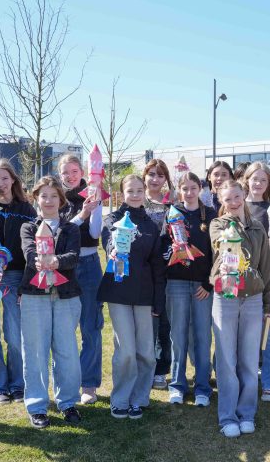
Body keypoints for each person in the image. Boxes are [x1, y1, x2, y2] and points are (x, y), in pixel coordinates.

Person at [210, 180, 270, 438]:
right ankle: (227, 416)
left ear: (244, 195)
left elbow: (267, 270)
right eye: (228, 199)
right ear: (221, 202)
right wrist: (230, 234)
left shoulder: (259, 227)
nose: (234, 202)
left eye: (237, 197)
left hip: (253, 299)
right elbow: (219, 242)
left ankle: (246, 413)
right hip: (225, 297)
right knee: (226, 359)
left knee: (249, 359)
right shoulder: (219, 225)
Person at [99, 174, 167, 420]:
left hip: (145, 295)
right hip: (119, 293)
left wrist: (159, 300)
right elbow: (108, 247)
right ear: (122, 194)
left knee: (146, 352)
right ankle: (120, 399)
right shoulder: (112, 220)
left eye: (140, 190)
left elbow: (158, 267)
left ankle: (139, 398)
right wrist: (114, 250)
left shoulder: (151, 225)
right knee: (126, 350)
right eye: (131, 191)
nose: (136, 195)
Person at [19, 176, 83, 428]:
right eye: (43, 196)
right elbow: (29, 253)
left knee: (66, 351)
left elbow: (73, 256)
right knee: (35, 352)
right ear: (36, 198)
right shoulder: (28, 227)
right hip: (35, 296)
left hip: (66, 296)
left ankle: (67, 402)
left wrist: (55, 261)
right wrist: (40, 261)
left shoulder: (71, 229)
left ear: (61, 200)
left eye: (53, 196)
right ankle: (37, 406)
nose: (48, 200)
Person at [0, 159, 36, 406]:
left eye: (5, 178)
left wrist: (27, 281)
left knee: (14, 335)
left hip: (15, 276)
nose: (1, 183)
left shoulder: (27, 209)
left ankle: (18, 383)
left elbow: (32, 247)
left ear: (13, 179)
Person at [163, 172, 217, 407]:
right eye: (184, 188)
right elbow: (162, 250)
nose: (189, 192)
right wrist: (171, 250)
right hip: (176, 283)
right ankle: (177, 385)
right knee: (178, 336)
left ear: (201, 188)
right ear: (178, 190)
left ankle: (203, 387)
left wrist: (209, 283)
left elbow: (219, 253)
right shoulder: (172, 215)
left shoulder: (212, 216)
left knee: (203, 337)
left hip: (203, 287)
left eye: (193, 188)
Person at [58, 154, 104, 405]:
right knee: (63, 329)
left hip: (88, 263)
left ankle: (89, 384)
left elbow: (96, 232)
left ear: (83, 170)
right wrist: (81, 215)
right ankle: (65, 381)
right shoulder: (55, 196)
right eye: (65, 172)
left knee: (91, 326)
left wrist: (93, 209)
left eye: (74, 171)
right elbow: (59, 234)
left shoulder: (93, 192)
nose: (70, 176)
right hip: (64, 266)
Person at [242, 161, 270, 402]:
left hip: (269, 274)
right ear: (246, 180)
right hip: (241, 275)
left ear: (269, 183)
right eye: (254, 179)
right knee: (242, 329)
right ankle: (245, 377)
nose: (258, 183)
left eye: (263, 180)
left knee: (268, 330)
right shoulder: (237, 205)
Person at [142, 159, 173, 390]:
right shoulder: (136, 201)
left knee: (163, 321)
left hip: (164, 270)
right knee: (142, 322)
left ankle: (161, 370)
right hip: (140, 270)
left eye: (160, 175)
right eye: (151, 174)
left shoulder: (171, 205)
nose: (155, 179)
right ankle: (143, 367)